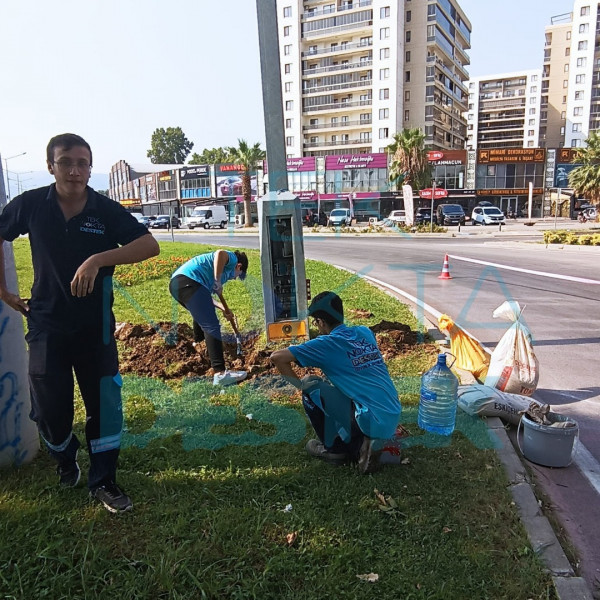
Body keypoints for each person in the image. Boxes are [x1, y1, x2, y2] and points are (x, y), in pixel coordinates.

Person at [0, 133, 160, 513]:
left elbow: (149, 245)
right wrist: (3, 290)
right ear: (51, 165)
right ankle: (64, 454)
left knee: (104, 405)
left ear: (91, 168)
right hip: (46, 324)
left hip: (95, 327)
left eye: (83, 163)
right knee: (51, 410)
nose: (75, 170)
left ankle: (103, 479)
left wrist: (98, 259)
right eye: (66, 162)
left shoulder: (104, 209)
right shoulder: (32, 204)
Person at [270, 291, 401, 474]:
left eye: (316, 322)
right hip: (391, 411)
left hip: (370, 418)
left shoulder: (327, 344)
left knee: (311, 385)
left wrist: (299, 387)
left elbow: (277, 357)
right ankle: (381, 439)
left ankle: (337, 450)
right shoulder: (365, 332)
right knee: (333, 388)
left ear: (321, 322)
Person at [170, 249, 248, 386]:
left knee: (203, 315)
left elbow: (206, 299)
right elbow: (220, 253)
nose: (234, 278)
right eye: (237, 275)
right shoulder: (232, 259)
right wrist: (217, 281)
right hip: (188, 281)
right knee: (211, 325)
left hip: (178, 284)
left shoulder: (215, 275)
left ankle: (199, 346)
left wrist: (222, 307)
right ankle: (220, 374)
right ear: (239, 267)